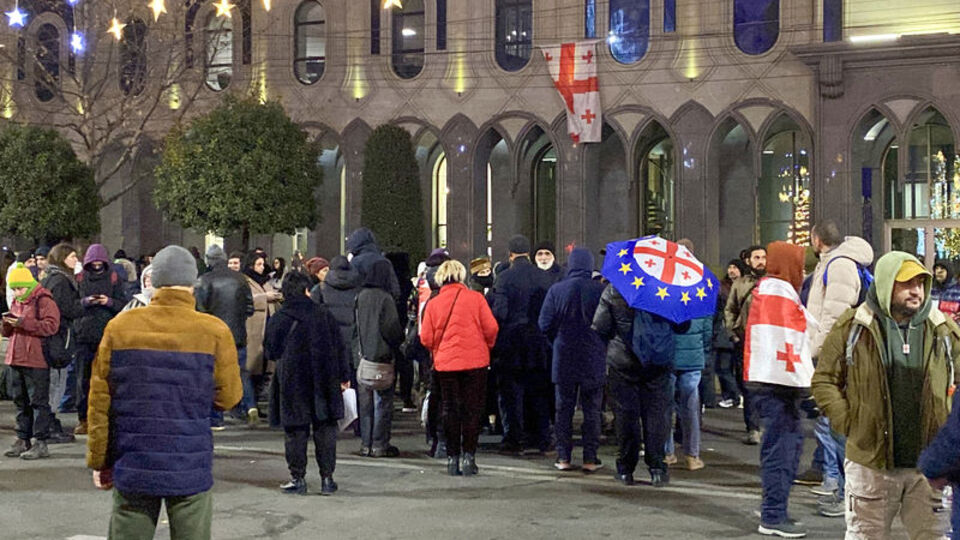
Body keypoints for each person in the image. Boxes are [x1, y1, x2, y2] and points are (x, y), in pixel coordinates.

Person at [86, 245, 242, 540]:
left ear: (153, 281)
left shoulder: (119, 327)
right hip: (188, 461)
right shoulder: (214, 331)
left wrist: (99, 460)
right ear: (192, 282)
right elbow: (229, 397)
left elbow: (99, 402)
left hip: (133, 460)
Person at [813, 251, 960, 540]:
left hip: (926, 469)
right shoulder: (854, 326)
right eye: (906, 284)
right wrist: (852, 423)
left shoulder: (942, 329)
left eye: (920, 283)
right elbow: (824, 380)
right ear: (885, 284)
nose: (916, 291)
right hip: (871, 465)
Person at [803, 220, 875, 516]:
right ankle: (842, 488)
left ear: (817, 240)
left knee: (838, 426)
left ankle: (851, 494)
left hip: (841, 357)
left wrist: (815, 351)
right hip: (840, 355)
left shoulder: (840, 265)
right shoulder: (834, 262)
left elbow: (834, 316)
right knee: (833, 425)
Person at [742, 241, 813, 538]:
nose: (804, 270)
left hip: (770, 383)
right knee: (781, 450)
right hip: (777, 386)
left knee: (785, 447)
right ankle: (772, 515)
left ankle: (776, 509)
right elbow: (792, 340)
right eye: (800, 264)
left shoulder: (770, 289)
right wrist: (808, 389)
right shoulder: (779, 293)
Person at [265, 271, 350, 495]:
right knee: (325, 429)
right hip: (324, 378)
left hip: (292, 380)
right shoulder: (323, 315)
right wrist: (343, 375)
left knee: (295, 430)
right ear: (306, 290)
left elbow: (270, 351)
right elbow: (340, 347)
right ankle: (327, 479)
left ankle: (298, 478)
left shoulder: (280, 318)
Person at [420, 260, 498, 476]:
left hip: (446, 364)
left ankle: (452, 459)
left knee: (450, 409)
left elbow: (426, 337)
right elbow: (491, 328)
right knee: (472, 410)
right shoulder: (476, 299)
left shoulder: (433, 304)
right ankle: (468, 458)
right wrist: (485, 346)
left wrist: (439, 348)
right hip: (476, 362)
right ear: (462, 276)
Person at [592, 282, 672, 487]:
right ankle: (657, 469)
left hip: (623, 361)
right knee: (656, 415)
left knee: (626, 415)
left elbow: (600, 326)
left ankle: (626, 469)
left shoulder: (615, 288)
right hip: (657, 361)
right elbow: (683, 325)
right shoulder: (666, 287)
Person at [538, 248, 605, 472]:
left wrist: (556, 340)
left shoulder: (556, 290)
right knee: (592, 411)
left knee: (563, 410)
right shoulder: (600, 291)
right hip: (593, 357)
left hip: (564, 355)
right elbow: (608, 325)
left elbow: (544, 324)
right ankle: (590, 458)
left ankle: (563, 457)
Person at [489, 234, 553, 455]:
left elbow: (500, 312)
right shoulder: (543, 277)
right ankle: (541, 437)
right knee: (538, 391)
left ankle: (513, 438)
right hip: (537, 342)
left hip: (511, 342)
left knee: (511, 393)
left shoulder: (504, 278)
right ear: (529, 253)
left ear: (510, 254)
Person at [2, 263, 60, 460]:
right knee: (20, 402)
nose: (17, 293)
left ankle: (40, 441)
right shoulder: (18, 301)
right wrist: (6, 324)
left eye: (20, 288)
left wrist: (22, 322)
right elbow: (8, 333)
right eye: (14, 289)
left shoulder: (43, 300)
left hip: (36, 359)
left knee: (38, 402)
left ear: (29, 284)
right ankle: (22, 439)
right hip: (16, 357)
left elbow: (51, 326)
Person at [196, 245, 256, 426]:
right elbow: (250, 307)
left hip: (213, 336)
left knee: (214, 375)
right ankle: (250, 406)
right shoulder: (241, 279)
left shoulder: (204, 281)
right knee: (241, 372)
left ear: (209, 261)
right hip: (238, 334)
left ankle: (216, 418)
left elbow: (199, 310)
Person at [74, 243, 125, 436]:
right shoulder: (80, 279)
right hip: (84, 335)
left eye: (99, 260)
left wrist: (109, 302)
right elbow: (73, 305)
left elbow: (122, 304)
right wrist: (86, 302)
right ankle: (84, 418)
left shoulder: (114, 278)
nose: (96, 264)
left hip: (107, 334)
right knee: (83, 379)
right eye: (93, 261)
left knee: (106, 378)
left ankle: (107, 417)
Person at [355, 259, 405, 457]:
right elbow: (391, 329)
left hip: (363, 356)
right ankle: (379, 444)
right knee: (383, 403)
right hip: (382, 356)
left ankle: (365, 443)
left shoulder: (360, 296)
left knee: (365, 404)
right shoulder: (386, 298)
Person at [724, 244, 766, 445]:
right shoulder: (739, 284)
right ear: (748, 261)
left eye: (763, 257)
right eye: (756, 257)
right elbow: (730, 309)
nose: (761, 261)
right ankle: (753, 427)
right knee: (748, 386)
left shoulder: (773, 282)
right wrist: (732, 333)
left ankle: (767, 424)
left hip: (768, 341)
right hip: (746, 341)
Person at [41, 243, 82, 444]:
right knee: (56, 382)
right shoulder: (61, 281)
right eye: (72, 256)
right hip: (58, 338)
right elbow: (66, 309)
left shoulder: (50, 278)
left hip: (51, 338)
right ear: (62, 258)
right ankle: (48, 424)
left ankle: (48, 422)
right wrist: (83, 304)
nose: (76, 260)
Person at [666, 313, 711, 471]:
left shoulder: (664, 299)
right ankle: (692, 456)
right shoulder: (701, 302)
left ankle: (668, 453)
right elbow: (707, 335)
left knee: (666, 407)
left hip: (668, 359)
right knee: (691, 409)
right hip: (693, 361)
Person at [243, 251, 281, 412]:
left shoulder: (266, 281)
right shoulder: (244, 280)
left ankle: (256, 404)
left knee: (265, 368)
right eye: (258, 264)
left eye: (262, 264)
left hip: (268, 326)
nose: (261, 267)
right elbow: (246, 299)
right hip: (253, 328)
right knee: (252, 367)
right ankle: (249, 406)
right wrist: (264, 297)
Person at [716, 260, 746, 409]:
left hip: (741, 333)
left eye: (735, 267)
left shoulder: (746, 286)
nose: (731, 270)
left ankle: (738, 394)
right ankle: (732, 395)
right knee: (724, 367)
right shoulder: (722, 287)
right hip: (725, 334)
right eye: (730, 267)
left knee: (739, 368)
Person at [346, 227, 400, 300]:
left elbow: (351, 288)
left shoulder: (355, 262)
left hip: (363, 304)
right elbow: (395, 290)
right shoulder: (385, 261)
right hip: (383, 304)